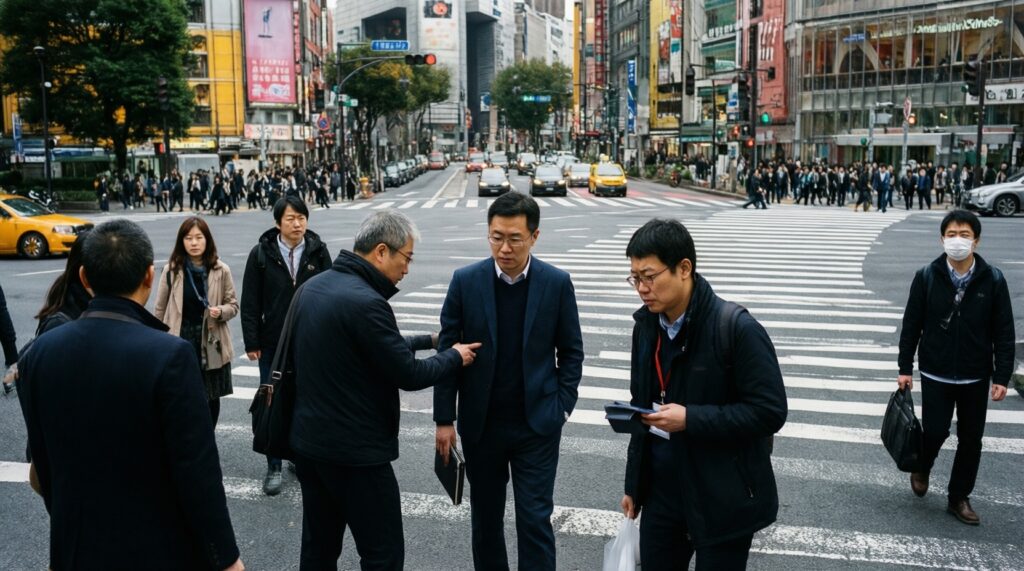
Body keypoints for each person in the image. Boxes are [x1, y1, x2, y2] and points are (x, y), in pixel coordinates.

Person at [16, 219, 244, 571]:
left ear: (85, 278)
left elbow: (43, 465)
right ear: (149, 276)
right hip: (156, 548)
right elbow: (197, 471)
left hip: (74, 548)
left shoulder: (41, 352)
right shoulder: (169, 355)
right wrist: (226, 557)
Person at [290, 210, 480, 570]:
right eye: (406, 257)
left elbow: (368, 348)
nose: (407, 269)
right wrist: (454, 356)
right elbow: (408, 373)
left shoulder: (314, 287)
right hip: (357, 455)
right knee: (383, 554)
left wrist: (429, 340)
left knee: (318, 550)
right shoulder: (367, 302)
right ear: (381, 251)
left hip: (310, 447)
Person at [620, 218, 787, 569]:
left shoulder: (736, 328)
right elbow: (641, 407)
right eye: (635, 277)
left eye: (649, 276)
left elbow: (769, 411)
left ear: (684, 269)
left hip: (722, 497)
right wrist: (634, 485)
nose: (642, 288)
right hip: (663, 495)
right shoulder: (646, 327)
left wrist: (691, 419)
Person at [434, 192, 585, 571]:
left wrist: (562, 407)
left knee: (535, 519)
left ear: (534, 236)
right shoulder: (466, 281)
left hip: (538, 424)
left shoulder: (556, 283)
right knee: (486, 520)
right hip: (482, 424)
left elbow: (571, 352)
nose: (504, 248)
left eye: (515, 238)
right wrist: (444, 419)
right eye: (496, 237)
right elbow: (448, 353)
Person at [897, 210, 1015, 525]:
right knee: (935, 430)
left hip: (975, 374)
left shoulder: (993, 279)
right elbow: (911, 325)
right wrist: (905, 367)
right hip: (935, 371)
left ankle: (958, 497)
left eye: (964, 234)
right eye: (951, 234)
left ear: (976, 240)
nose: (957, 240)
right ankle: (923, 465)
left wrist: (1002, 375)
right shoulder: (927, 276)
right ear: (942, 239)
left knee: (971, 439)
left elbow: (1004, 331)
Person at [241, 195, 333, 495]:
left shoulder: (318, 251)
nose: (297, 224)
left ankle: (298, 455)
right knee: (272, 401)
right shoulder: (261, 255)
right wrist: (252, 342)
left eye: (302, 218)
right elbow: (250, 302)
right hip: (273, 343)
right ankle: (274, 465)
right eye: (291, 218)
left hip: (310, 340)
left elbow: (332, 295)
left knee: (305, 399)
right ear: (278, 222)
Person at [155, 217, 238, 427]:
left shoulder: (221, 269)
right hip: (181, 338)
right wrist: (156, 341)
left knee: (211, 396)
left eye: (199, 237)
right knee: (182, 393)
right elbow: (160, 309)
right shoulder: (171, 270)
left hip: (211, 340)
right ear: (181, 241)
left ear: (207, 240)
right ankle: (186, 438)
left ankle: (208, 437)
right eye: (188, 238)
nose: (194, 243)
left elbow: (233, 305)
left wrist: (221, 311)